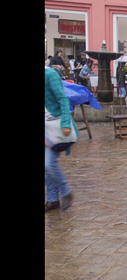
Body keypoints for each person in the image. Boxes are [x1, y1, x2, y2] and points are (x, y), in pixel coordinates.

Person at [45, 66, 76, 212]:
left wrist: (65, 123)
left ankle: (66, 191)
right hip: (45, 127)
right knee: (46, 166)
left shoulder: (50, 74)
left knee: (49, 163)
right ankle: (52, 199)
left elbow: (63, 99)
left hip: (55, 126)